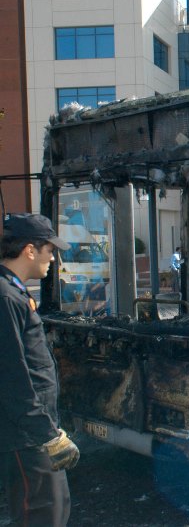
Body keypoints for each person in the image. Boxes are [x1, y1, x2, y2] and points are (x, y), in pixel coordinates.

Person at [1, 213, 81, 526]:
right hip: (26, 437)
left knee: (55, 509)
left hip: (33, 433)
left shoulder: (13, 292)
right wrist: (47, 435)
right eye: (50, 249)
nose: (53, 257)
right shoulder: (6, 297)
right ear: (30, 250)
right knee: (40, 514)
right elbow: (11, 376)